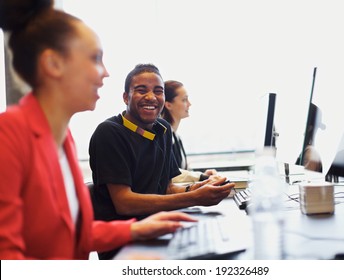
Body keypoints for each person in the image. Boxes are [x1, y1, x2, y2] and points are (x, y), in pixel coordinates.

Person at [0, 0, 195, 260]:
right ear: (54, 64)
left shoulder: (63, 138)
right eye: (95, 59)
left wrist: (136, 230)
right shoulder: (9, 134)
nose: (105, 73)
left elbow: (73, 236)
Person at [88, 63, 235, 258]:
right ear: (126, 97)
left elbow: (166, 188)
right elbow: (124, 202)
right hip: (125, 246)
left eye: (158, 91)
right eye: (141, 91)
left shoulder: (162, 129)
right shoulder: (110, 133)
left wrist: (199, 188)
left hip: (157, 229)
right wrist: (194, 198)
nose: (151, 97)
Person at [161, 80, 218, 183]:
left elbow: (182, 173)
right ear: (168, 105)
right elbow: (171, 175)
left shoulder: (176, 137)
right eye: (184, 100)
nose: (189, 104)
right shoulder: (162, 137)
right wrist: (201, 177)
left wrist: (204, 175)